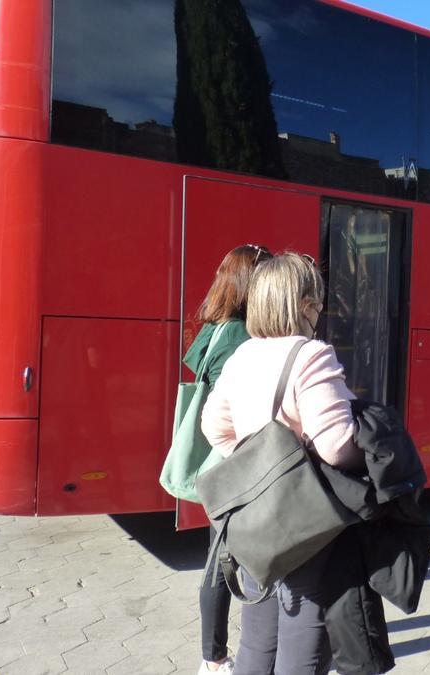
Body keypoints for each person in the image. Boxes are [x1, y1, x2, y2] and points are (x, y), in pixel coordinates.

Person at [201, 252, 362, 675]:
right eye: (317, 301)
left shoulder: (242, 357)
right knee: (303, 648)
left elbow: (214, 429)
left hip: (257, 526)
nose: (320, 310)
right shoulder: (312, 356)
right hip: (305, 526)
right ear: (303, 303)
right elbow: (336, 447)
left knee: (256, 644)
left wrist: (260, 461)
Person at [186, 244, 271, 675]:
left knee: (219, 553)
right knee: (220, 560)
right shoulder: (241, 335)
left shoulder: (214, 327)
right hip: (233, 459)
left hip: (216, 460)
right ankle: (214, 658)